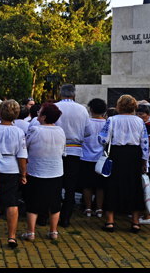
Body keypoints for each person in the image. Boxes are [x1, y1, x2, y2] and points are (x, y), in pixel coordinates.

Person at [98, 95, 149, 233]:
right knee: (134, 186)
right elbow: (145, 142)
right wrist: (144, 161)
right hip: (134, 155)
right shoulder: (139, 121)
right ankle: (135, 222)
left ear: (119, 106)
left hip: (116, 154)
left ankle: (109, 222)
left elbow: (103, 139)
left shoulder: (112, 120)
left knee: (112, 185)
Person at [0, 100, 28, 248]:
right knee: (12, 203)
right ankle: (11, 236)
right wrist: (23, 174)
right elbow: (22, 155)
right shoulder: (19, 131)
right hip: (11, 168)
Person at [22, 102, 65, 241]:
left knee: (33, 202)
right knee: (55, 202)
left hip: (36, 170)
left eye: (40, 112)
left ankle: (31, 232)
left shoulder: (34, 130)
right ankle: (53, 231)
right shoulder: (60, 131)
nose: (37, 114)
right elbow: (63, 151)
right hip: (55, 171)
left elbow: (25, 147)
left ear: (44, 116)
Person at [53, 84, 90, 228]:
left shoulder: (54, 107)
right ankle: (66, 218)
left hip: (55, 150)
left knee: (55, 184)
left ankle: (50, 215)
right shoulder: (82, 109)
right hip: (74, 151)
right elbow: (88, 132)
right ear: (74, 95)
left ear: (60, 94)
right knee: (70, 186)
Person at [80, 98, 107, 219]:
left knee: (87, 185)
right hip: (102, 158)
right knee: (100, 186)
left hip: (86, 157)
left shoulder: (86, 123)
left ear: (91, 110)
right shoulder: (107, 123)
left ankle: (88, 208)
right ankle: (100, 209)